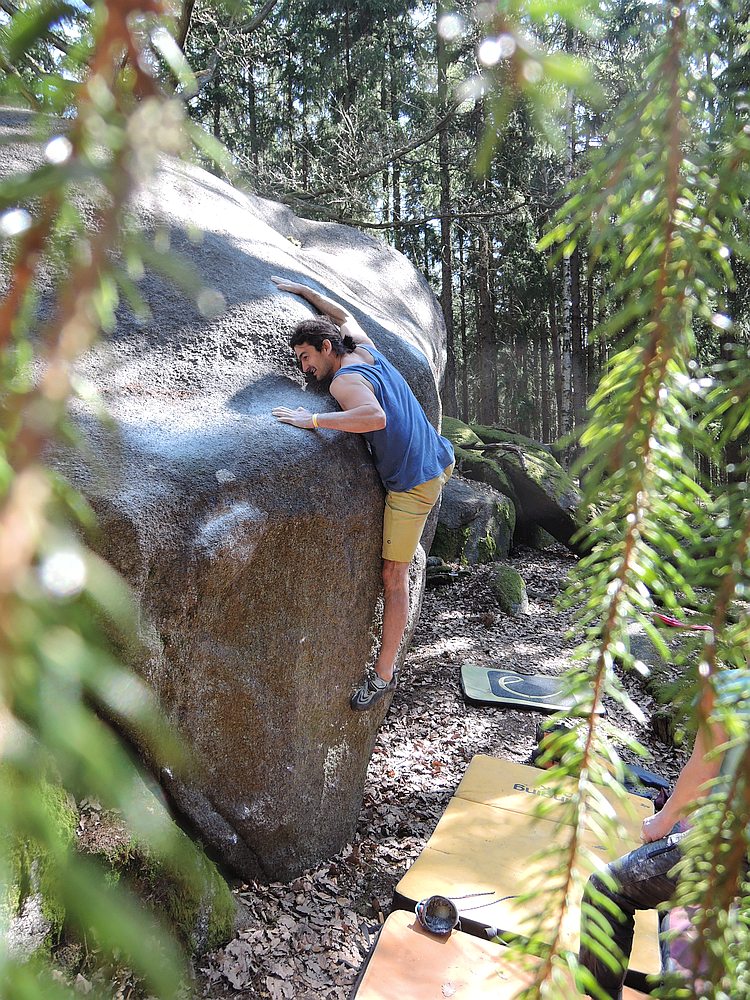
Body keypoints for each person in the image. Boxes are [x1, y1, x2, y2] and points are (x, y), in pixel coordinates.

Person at [270, 275, 454, 711]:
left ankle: (384, 675)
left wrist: (312, 422)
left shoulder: (342, 382)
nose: (304, 369)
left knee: (394, 578)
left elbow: (372, 417)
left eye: (306, 357)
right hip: (438, 456)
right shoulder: (363, 348)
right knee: (396, 572)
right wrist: (305, 293)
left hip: (413, 485)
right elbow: (344, 315)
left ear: (327, 349)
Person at [578, 672, 750, 999]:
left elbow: (702, 771)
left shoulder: (733, 688)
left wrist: (661, 821)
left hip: (726, 852)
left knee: (605, 891)